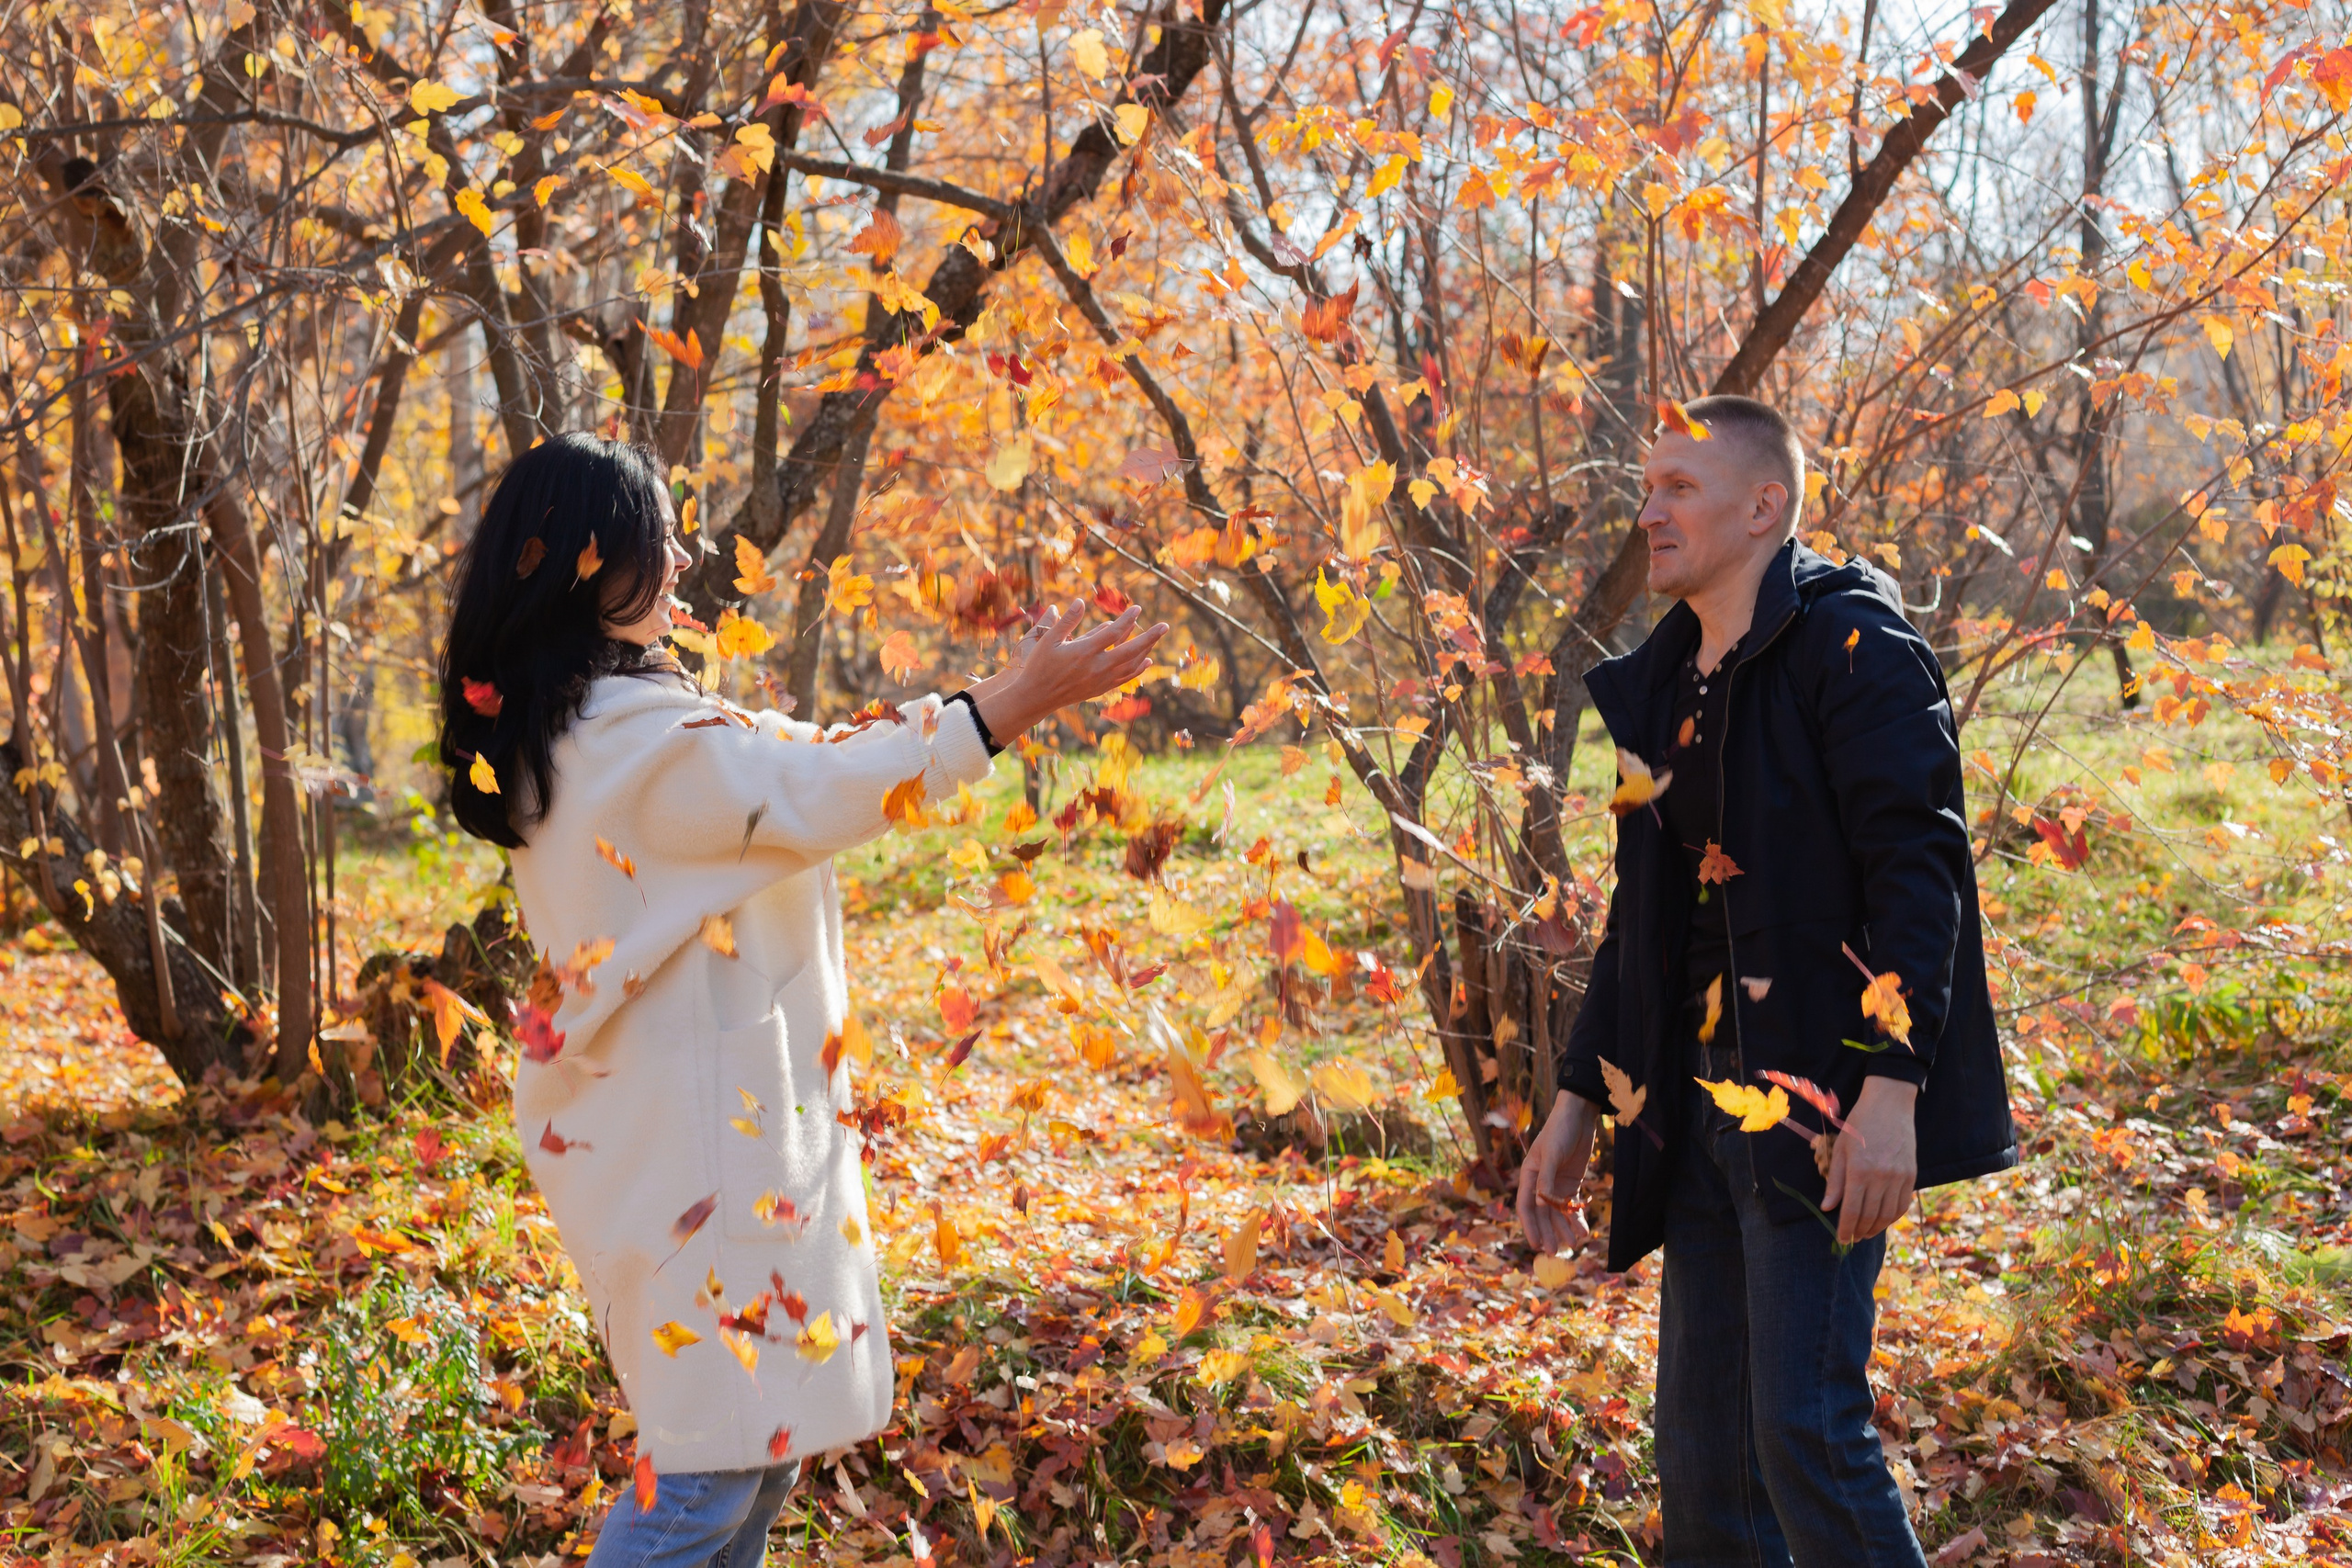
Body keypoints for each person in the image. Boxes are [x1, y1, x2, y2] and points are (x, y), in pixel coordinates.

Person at [437, 434, 1165, 1566]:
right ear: (589, 564)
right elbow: (810, 784)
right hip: (694, 1156)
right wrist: (1004, 704)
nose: (681, 559)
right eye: (654, 539)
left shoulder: (607, 724)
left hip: (687, 1138)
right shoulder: (634, 749)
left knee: (752, 1448)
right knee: (706, 1468)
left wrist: (983, 704)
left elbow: (801, 756)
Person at [1515, 397, 2016, 1565]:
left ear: (1763, 506)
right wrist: (1580, 1103)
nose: (1649, 511)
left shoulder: (1853, 650)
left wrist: (1891, 1092)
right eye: (1646, 488)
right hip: (1693, 1106)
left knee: (1804, 1435)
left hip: (1819, 1103)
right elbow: (1647, 924)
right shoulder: (1663, 686)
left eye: (1678, 488)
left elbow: (1920, 873)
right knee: (1702, 1462)